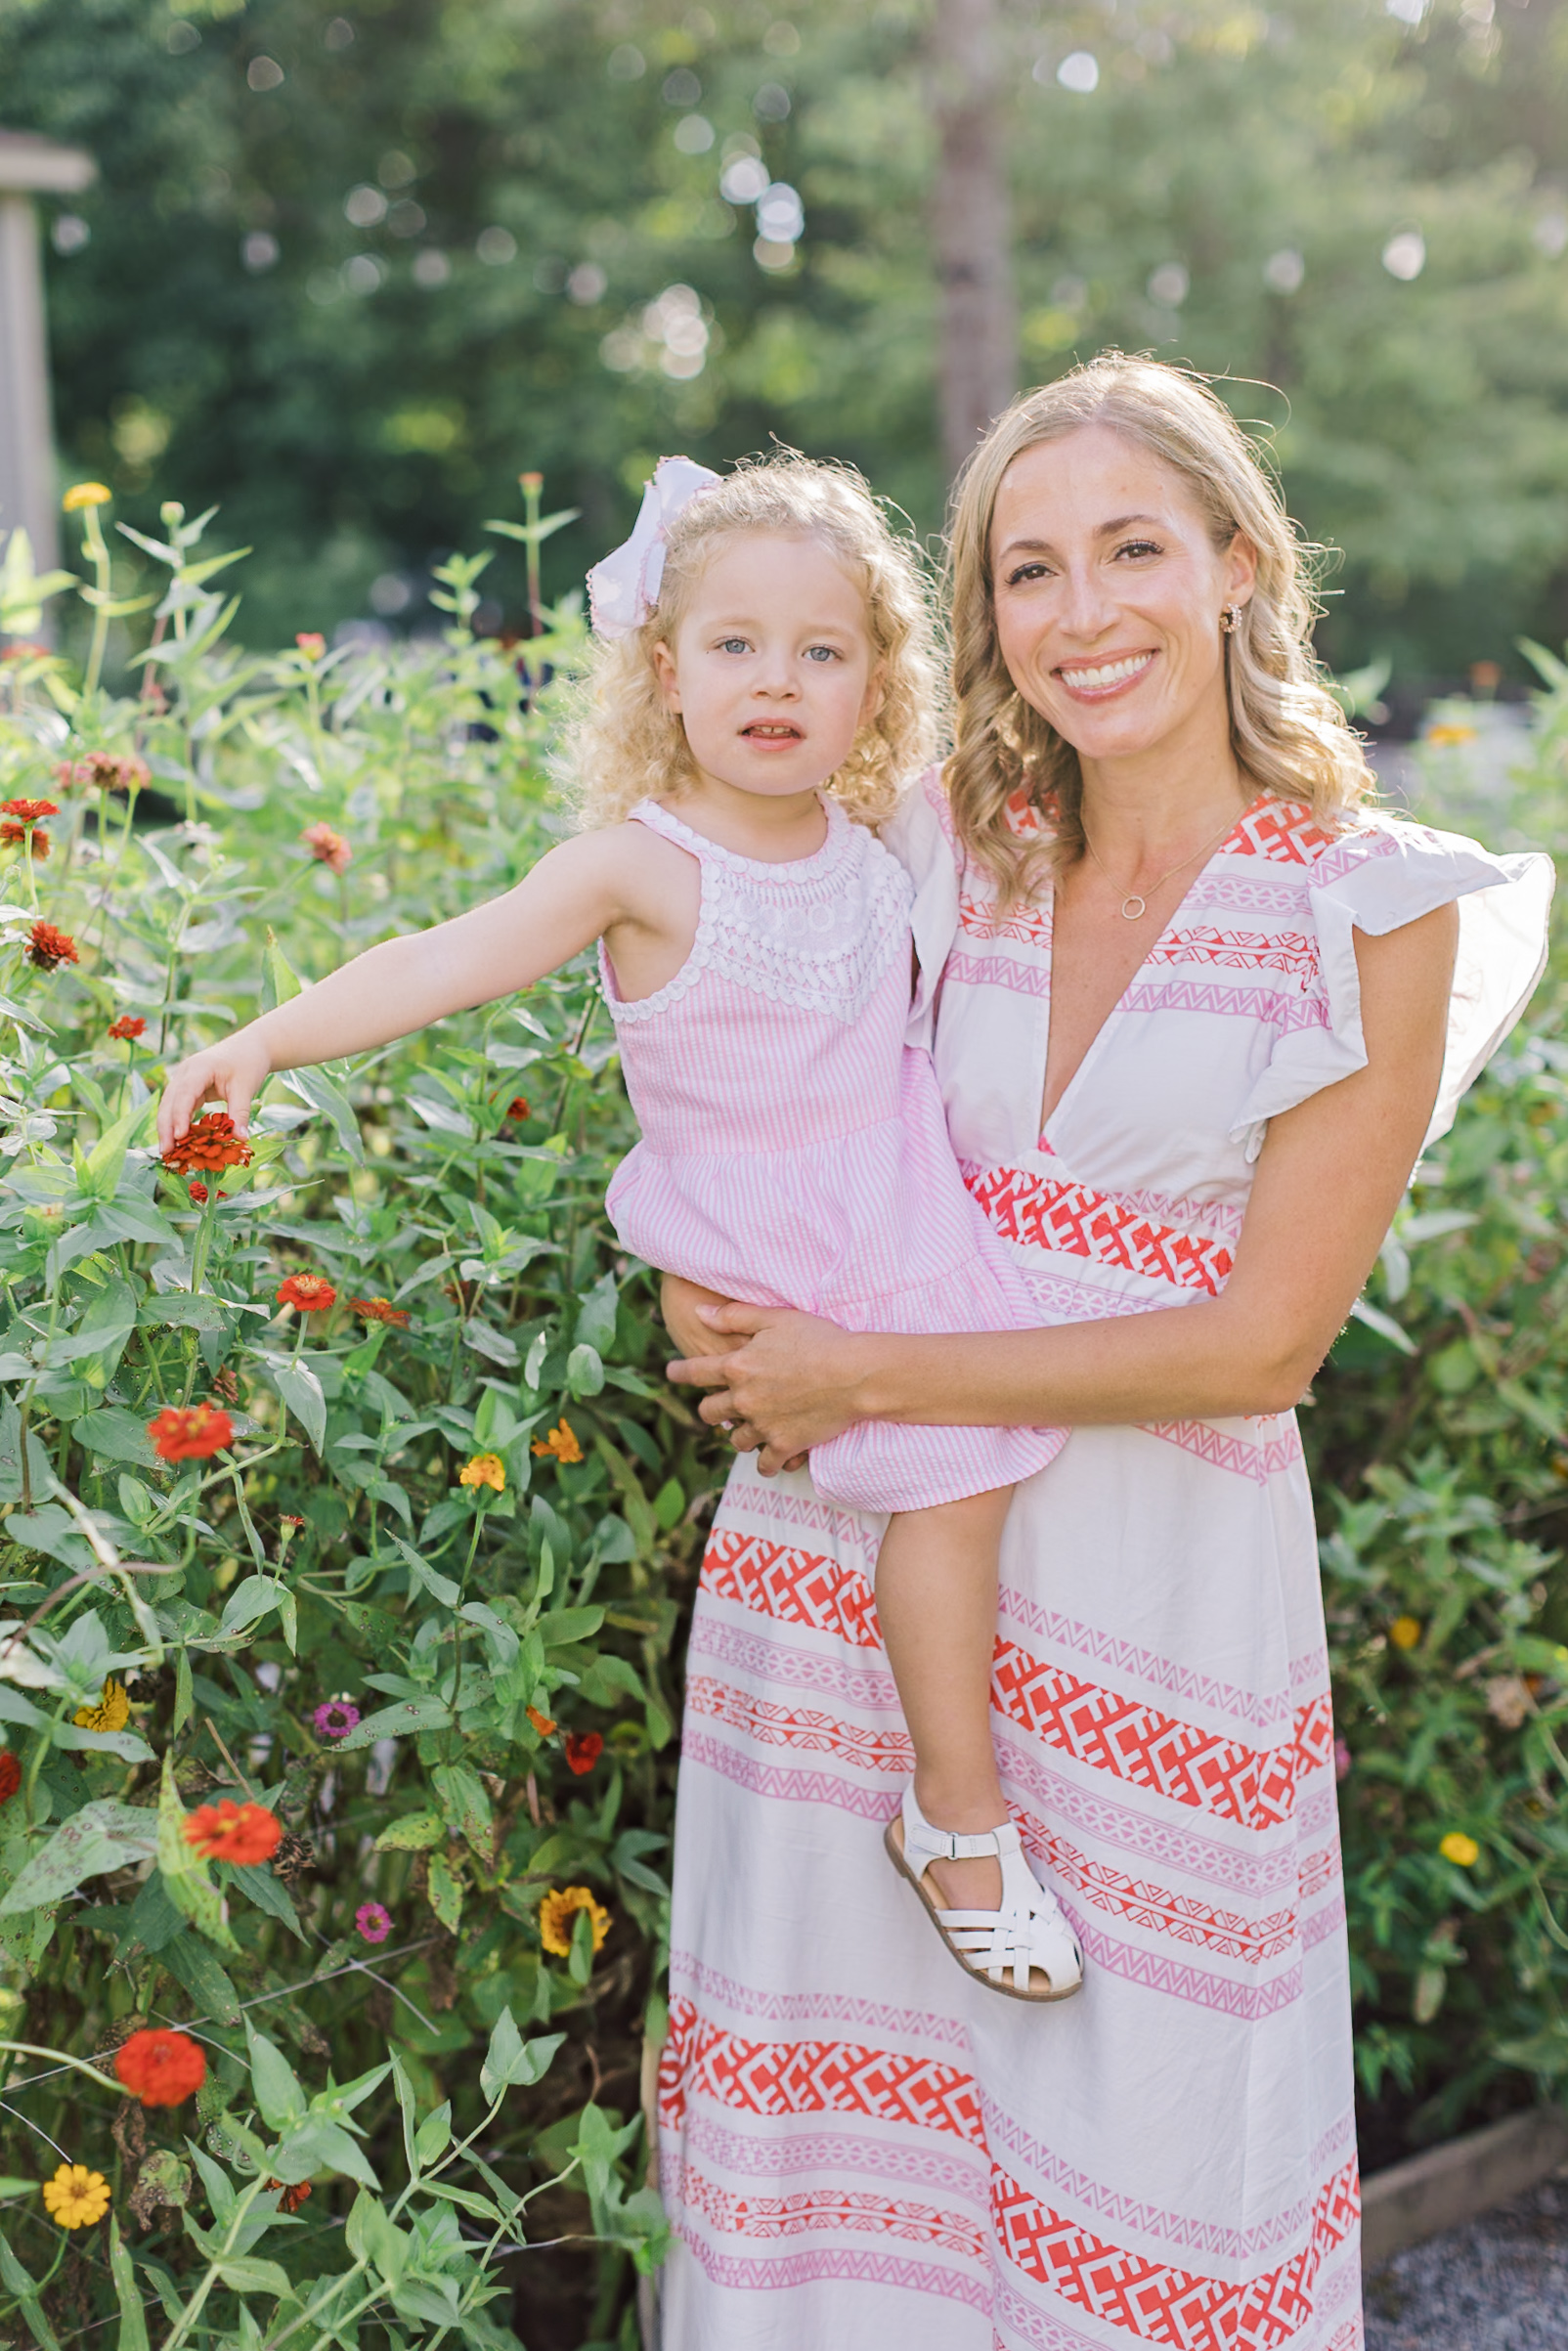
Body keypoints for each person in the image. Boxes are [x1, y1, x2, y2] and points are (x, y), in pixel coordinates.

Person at [657, 358, 1554, 2349]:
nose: (1080, 615)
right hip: (851, 1596)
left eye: (1130, 550)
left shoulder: (1375, 909)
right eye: (1025, 571)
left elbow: (1261, 1343)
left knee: (1148, 2169)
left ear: (1240, 564)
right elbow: (725, 1043)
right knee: (835, 2201)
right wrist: (695, 1273)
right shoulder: (938, 850)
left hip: (1155, 1603)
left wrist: (857, 1375)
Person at [154, 451, 1083, 2003]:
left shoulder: (877, 850)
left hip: (901, 1208)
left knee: (970, 1487)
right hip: (789, 1242)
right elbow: (436, 959)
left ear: (877, 685)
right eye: (732, 646)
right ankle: (959, 1815)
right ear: (664, 669)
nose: (773, 682)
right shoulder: (641, 866)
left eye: (821, 651)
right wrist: (264, 1043)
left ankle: (947, 1798)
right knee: (964, 1477)